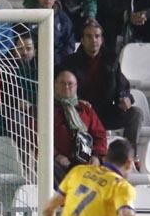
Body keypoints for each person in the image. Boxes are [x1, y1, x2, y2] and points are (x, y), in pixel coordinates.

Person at [59, 20, 142, 158]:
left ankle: (129, 157)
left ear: (102, 39)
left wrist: (125, 97)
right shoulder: (69, 62)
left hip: (105, 113)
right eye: (89, 36)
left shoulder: (111, 60)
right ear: (82, 40)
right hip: (80, 113)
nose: (94, 40)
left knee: (136, 114)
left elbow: (121, 85)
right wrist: (77, 102)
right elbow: (62, 90)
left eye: (97, 36)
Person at [53, 70, 107, 185]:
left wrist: (96, 157)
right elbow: (37, 137)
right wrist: (56, 156)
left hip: (86, 161)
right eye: (62, 83)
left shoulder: (86, 109)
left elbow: (100, 136)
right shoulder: (46, 108)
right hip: (60, 163)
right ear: (54, 85)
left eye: (70, 84)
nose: (66, 87)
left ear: (76, 87)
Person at [30, 0, 75, 66]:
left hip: (59, 64)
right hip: (34, 64)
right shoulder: (29, 17)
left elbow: (70, 45)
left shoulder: (63, 19)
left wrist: (56, 60)